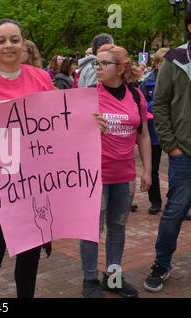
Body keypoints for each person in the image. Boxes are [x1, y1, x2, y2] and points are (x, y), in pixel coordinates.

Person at [0, 18, 106, 298]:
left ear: (23, 44)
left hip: (35, 183)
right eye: (1, 40)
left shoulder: (41, 78)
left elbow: (58, 120)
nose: (8, 45)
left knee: (29, 256)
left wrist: (90, 124)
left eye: (14, 39)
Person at [80, 44, 151, 298]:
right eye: (95, 63)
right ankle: (89, 279)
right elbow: (69, 134)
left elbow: (142, 135)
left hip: (125, 175)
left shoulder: (136, 96)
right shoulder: (87, 95)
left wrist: (148, 170)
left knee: (118, 227)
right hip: (94, 175)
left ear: (121, 68)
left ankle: (112, 277)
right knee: (91, 229)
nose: (97, 68)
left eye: (103, 63)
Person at [144, 7, 191, 292]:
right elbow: (160, 105)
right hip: (183, 154)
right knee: (174, 212)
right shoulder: (175, 59)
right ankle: (162, 263)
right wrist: (172, 147)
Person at [139, 48, 170, 215]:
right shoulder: (147, 83)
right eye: (163, 63)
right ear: (156, 64)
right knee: (152, 168)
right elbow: (142, 107)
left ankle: (177, 203)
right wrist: (158, 107)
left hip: (174, 132)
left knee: (178, 170)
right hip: (153, 133)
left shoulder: (178, 80)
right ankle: (155, 202)